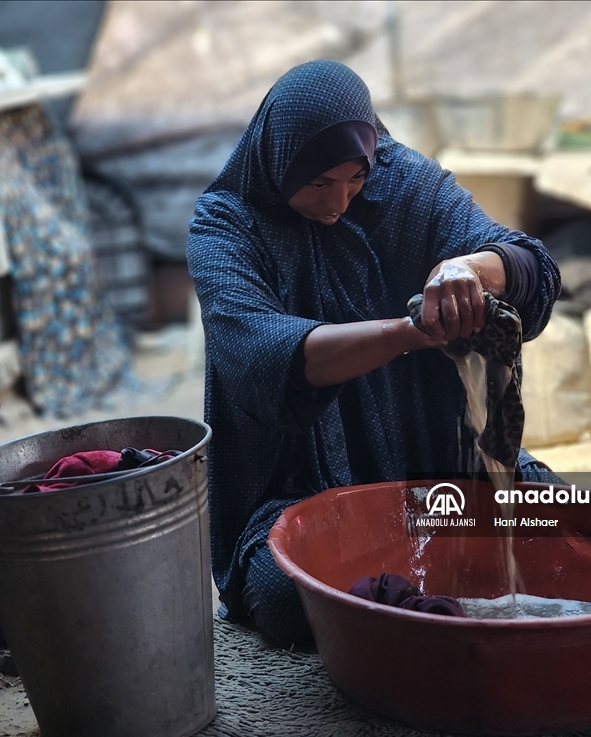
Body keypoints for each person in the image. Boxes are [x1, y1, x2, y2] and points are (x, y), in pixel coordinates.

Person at [186, 60, 560, 646]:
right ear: (280, 161)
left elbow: (527, 261)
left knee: (570, 529)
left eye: (354, 178)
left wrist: (470, 270)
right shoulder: (226, 227)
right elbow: (262, 354)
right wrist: (407, 333)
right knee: (293, 596)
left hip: (436, 463)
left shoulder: (406, 184)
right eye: (318, 183)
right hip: (301, 482)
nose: (338, 200)